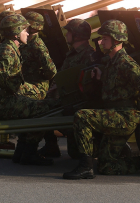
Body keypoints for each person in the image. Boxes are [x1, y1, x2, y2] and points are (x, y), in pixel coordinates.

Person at [63, 20, 140, 180]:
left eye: (105, 38)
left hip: (123, 117)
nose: (101, 41)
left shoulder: (127, 64)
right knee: (107, 167)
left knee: (82, 116)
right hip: (113, 115)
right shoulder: (111, 62)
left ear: (116, 40)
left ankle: (85, 167)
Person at [0, 13, 55, 166]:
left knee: (30, 106)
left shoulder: (2, 47)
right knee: (43, 109)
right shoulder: (8, 51)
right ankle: (29, 152)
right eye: (24, 30)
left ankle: (21, 152)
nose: (27, 33)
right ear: (16, 33)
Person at [39, 18, 98, 158]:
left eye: (69, 32)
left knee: (75, 154)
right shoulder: (72, 54)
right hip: (67, 99)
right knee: (41, 106)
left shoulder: (90, 56)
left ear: (77, 35)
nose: (66, 35)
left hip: (78, 103)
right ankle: (51, 145)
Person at [18, 11, 57, 101]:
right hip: (26, 85)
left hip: (37, 87)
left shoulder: (37, 45)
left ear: (34, 28)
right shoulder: (25, 42)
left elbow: (51, 70)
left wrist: (39, 77)